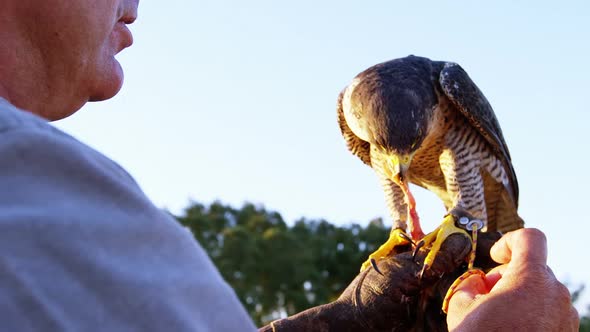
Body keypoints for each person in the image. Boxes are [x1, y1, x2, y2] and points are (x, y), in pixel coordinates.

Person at [0, 1, 579, 331]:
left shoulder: (442, 83)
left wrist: (346, 326)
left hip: (472, 181)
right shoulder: (33, 192)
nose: (133, 4)